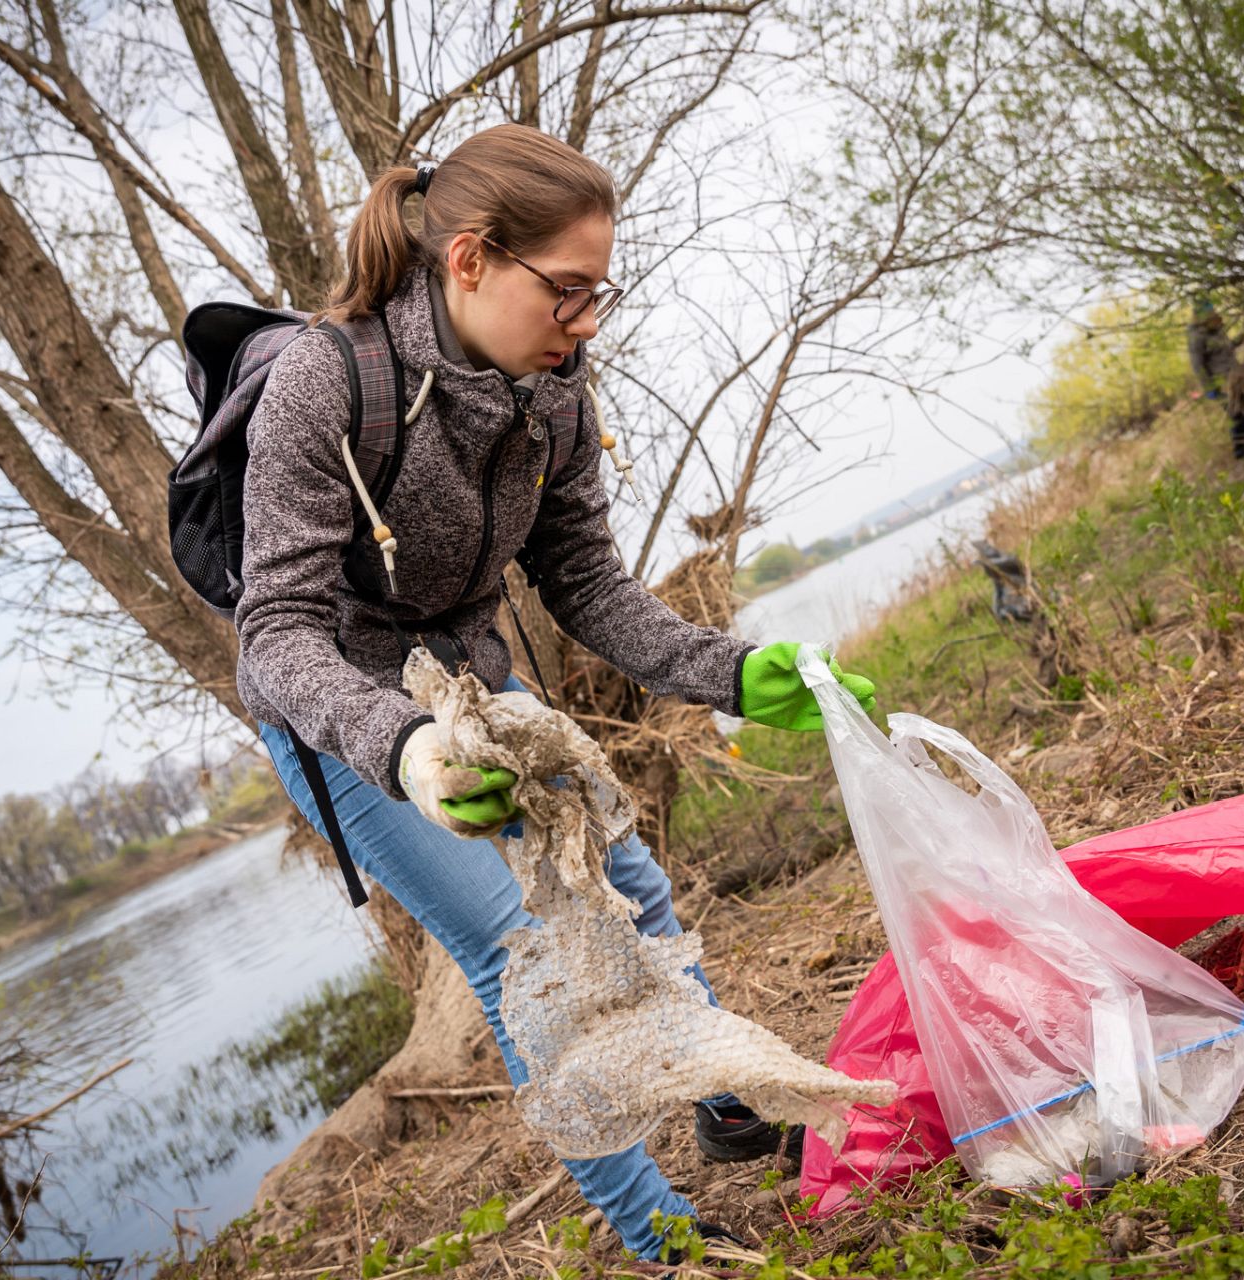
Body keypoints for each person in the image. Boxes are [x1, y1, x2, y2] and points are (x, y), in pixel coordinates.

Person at [234, 124, 877, 1260]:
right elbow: (274, 634)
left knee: (630, 885)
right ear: (470, 259)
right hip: (343, 716)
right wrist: (408, 749)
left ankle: (725, 1109)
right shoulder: (322, 384)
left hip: (478, 679)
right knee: (509, 949)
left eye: (599, 295)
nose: (584, 325)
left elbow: (587, 584)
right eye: (567, 293)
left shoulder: (555, 398)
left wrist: (731, 671)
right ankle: (662, 1234)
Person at [1186, 297, 1244, 459]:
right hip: (1221, 383)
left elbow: (1228, 347)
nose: (1213, 313)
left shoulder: (1217, 330)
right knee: (1237, 414)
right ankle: (1241, 453)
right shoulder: (1196, 337)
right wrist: (1209, 388)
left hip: (1236, 376)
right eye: (1208, 311)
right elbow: (1197, 365)